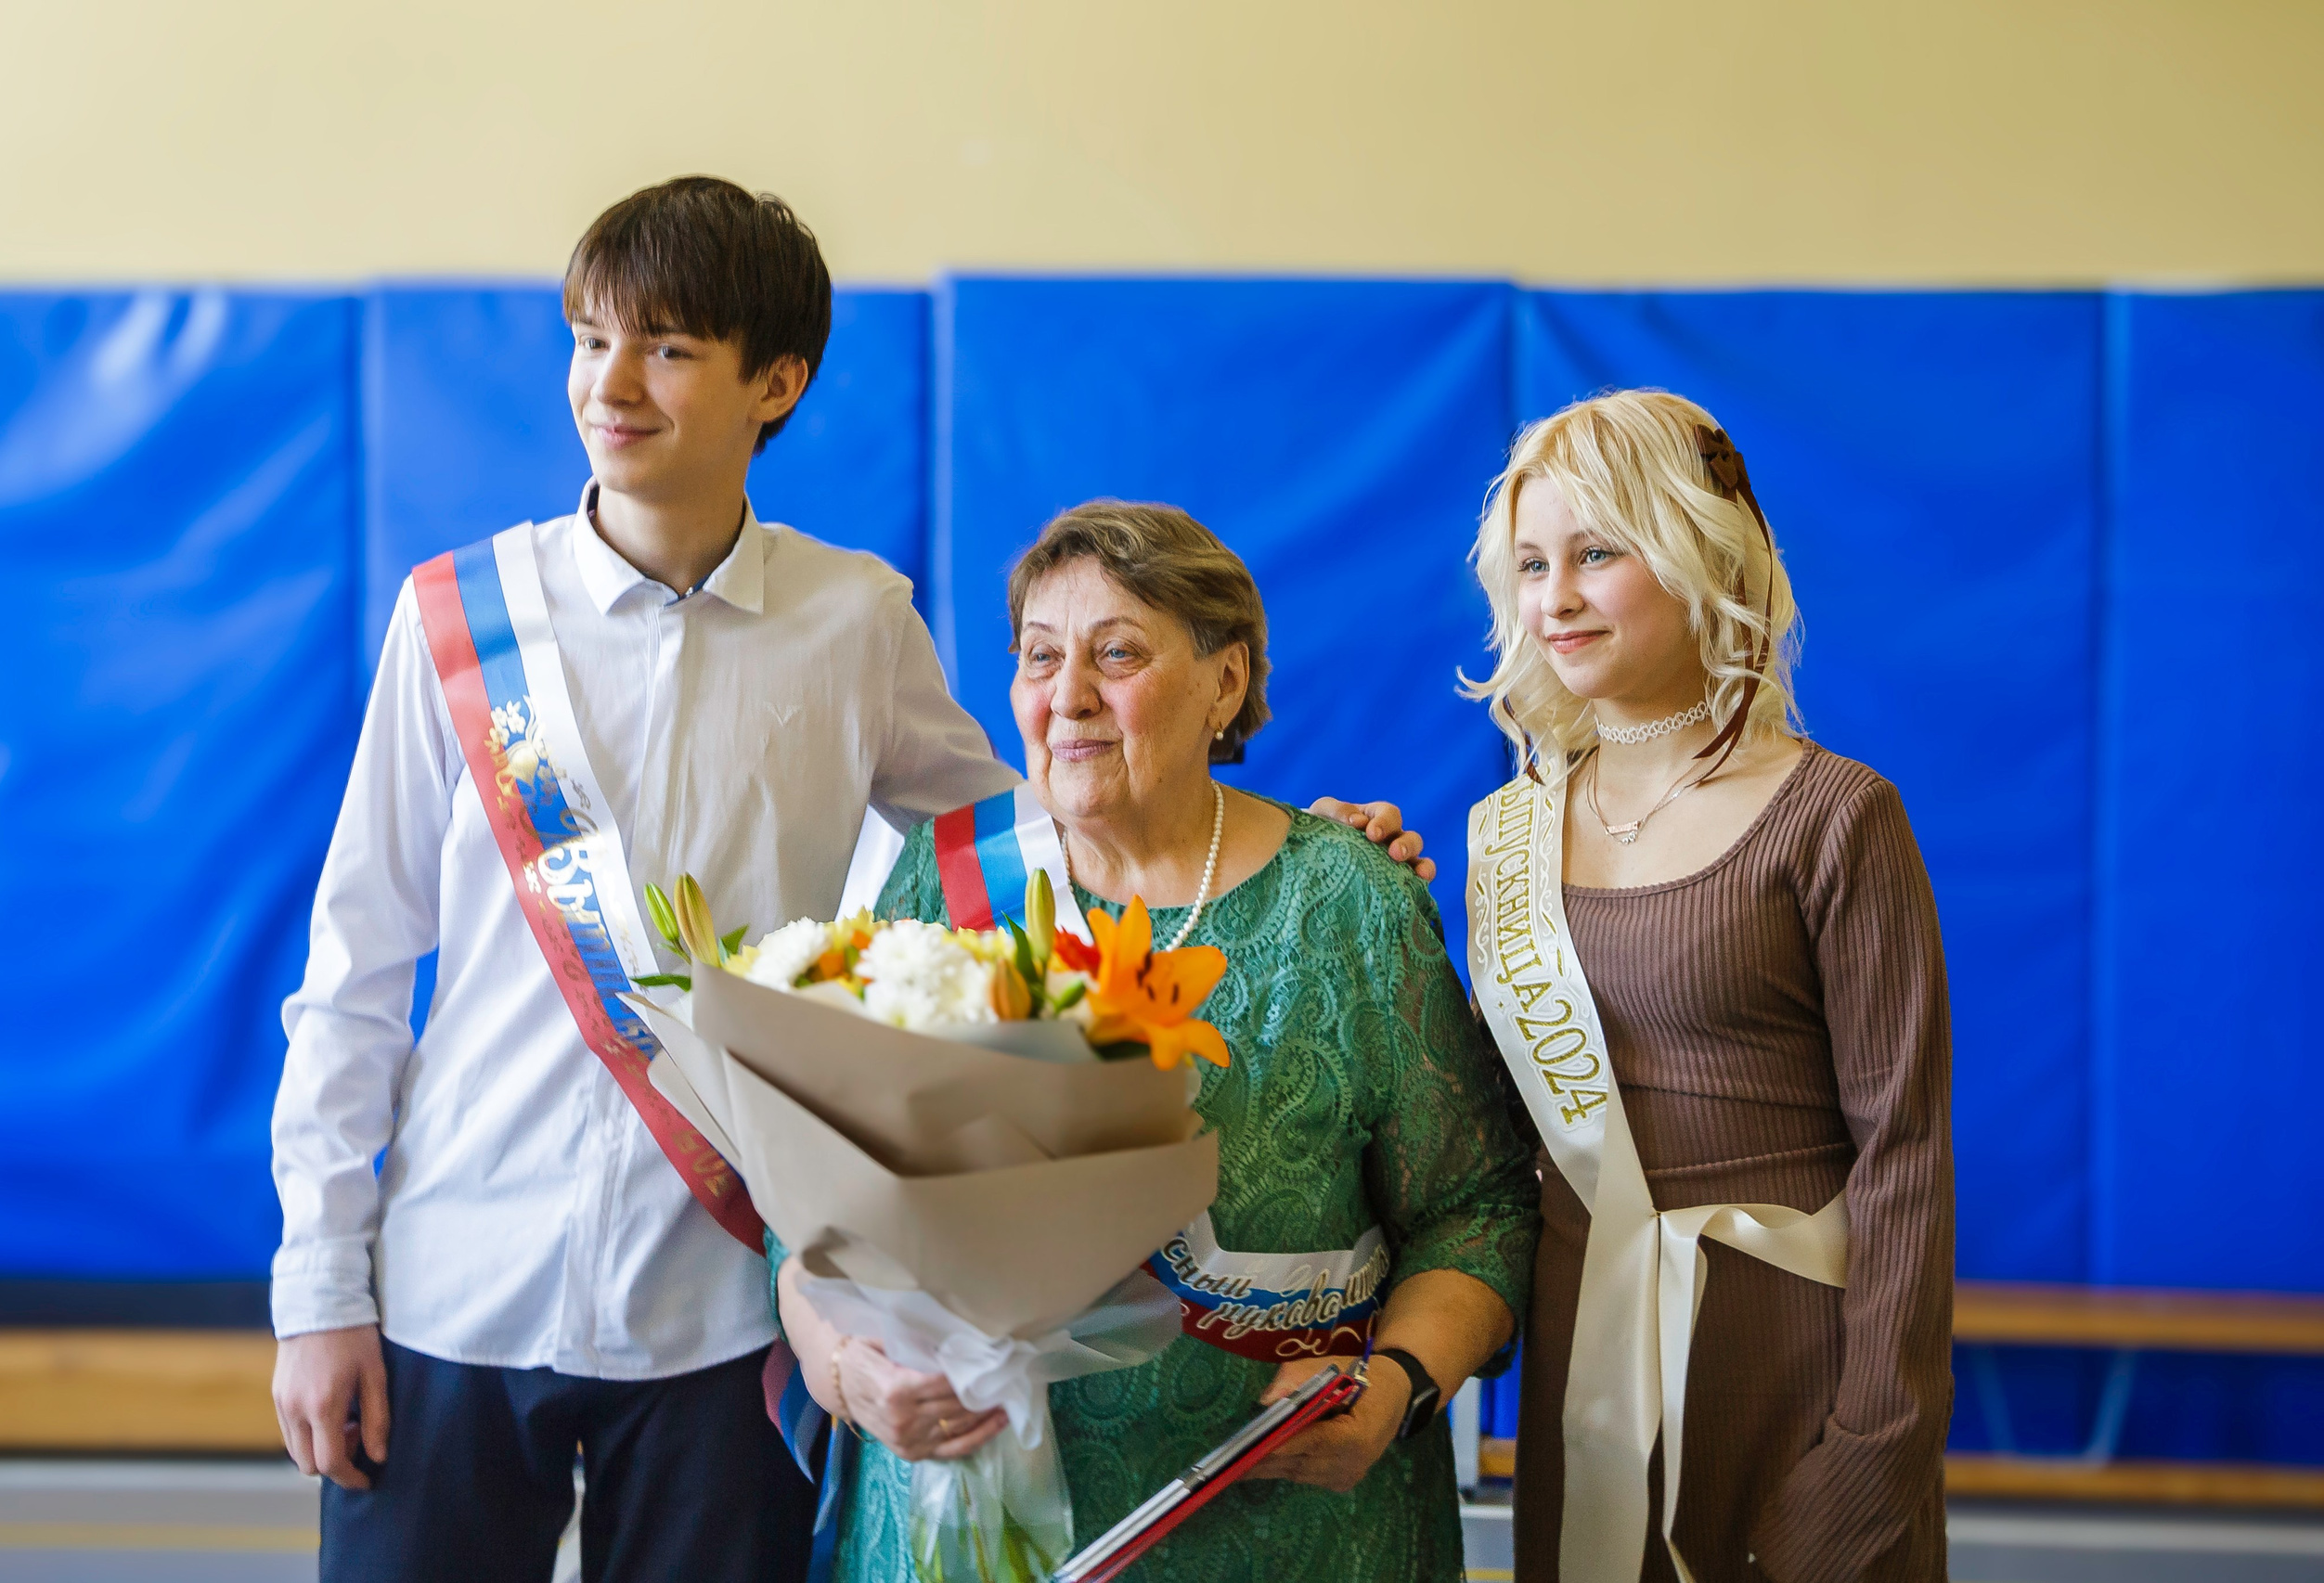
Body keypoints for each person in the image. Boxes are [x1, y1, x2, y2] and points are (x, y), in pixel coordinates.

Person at [268, 178, 1431, 1583]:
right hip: (453, 1285)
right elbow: (355, 973)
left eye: (668, 349)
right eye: (589, 340)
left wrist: (1301, 844)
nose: (611, 384)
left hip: (727, 1308)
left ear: (778, 379)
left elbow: (1050, 839)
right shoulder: (454, 618)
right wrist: (320, 1289)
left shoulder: (853, 616)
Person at [769, 500, 1538, 1581]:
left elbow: (1480, 1206)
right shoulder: (941, 884)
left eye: (1116, 653)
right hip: (965, 1515)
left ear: (1225, 683)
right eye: (1040, 656)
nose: (1067, 695)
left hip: (1289, 1526)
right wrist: (845, 1370)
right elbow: (808, 1199)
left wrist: (1402, 1378)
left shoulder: (1350, 903)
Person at [1460, 389, 1953, 1583]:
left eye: (1597, 551)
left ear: (1697, 551)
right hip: (1587, 1371)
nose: (1554, 597)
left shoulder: (1837, 816)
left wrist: (1869, 1454)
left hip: (1794, 1371)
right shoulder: (1502, 834)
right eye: (1530, 562)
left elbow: (1906, 1160)